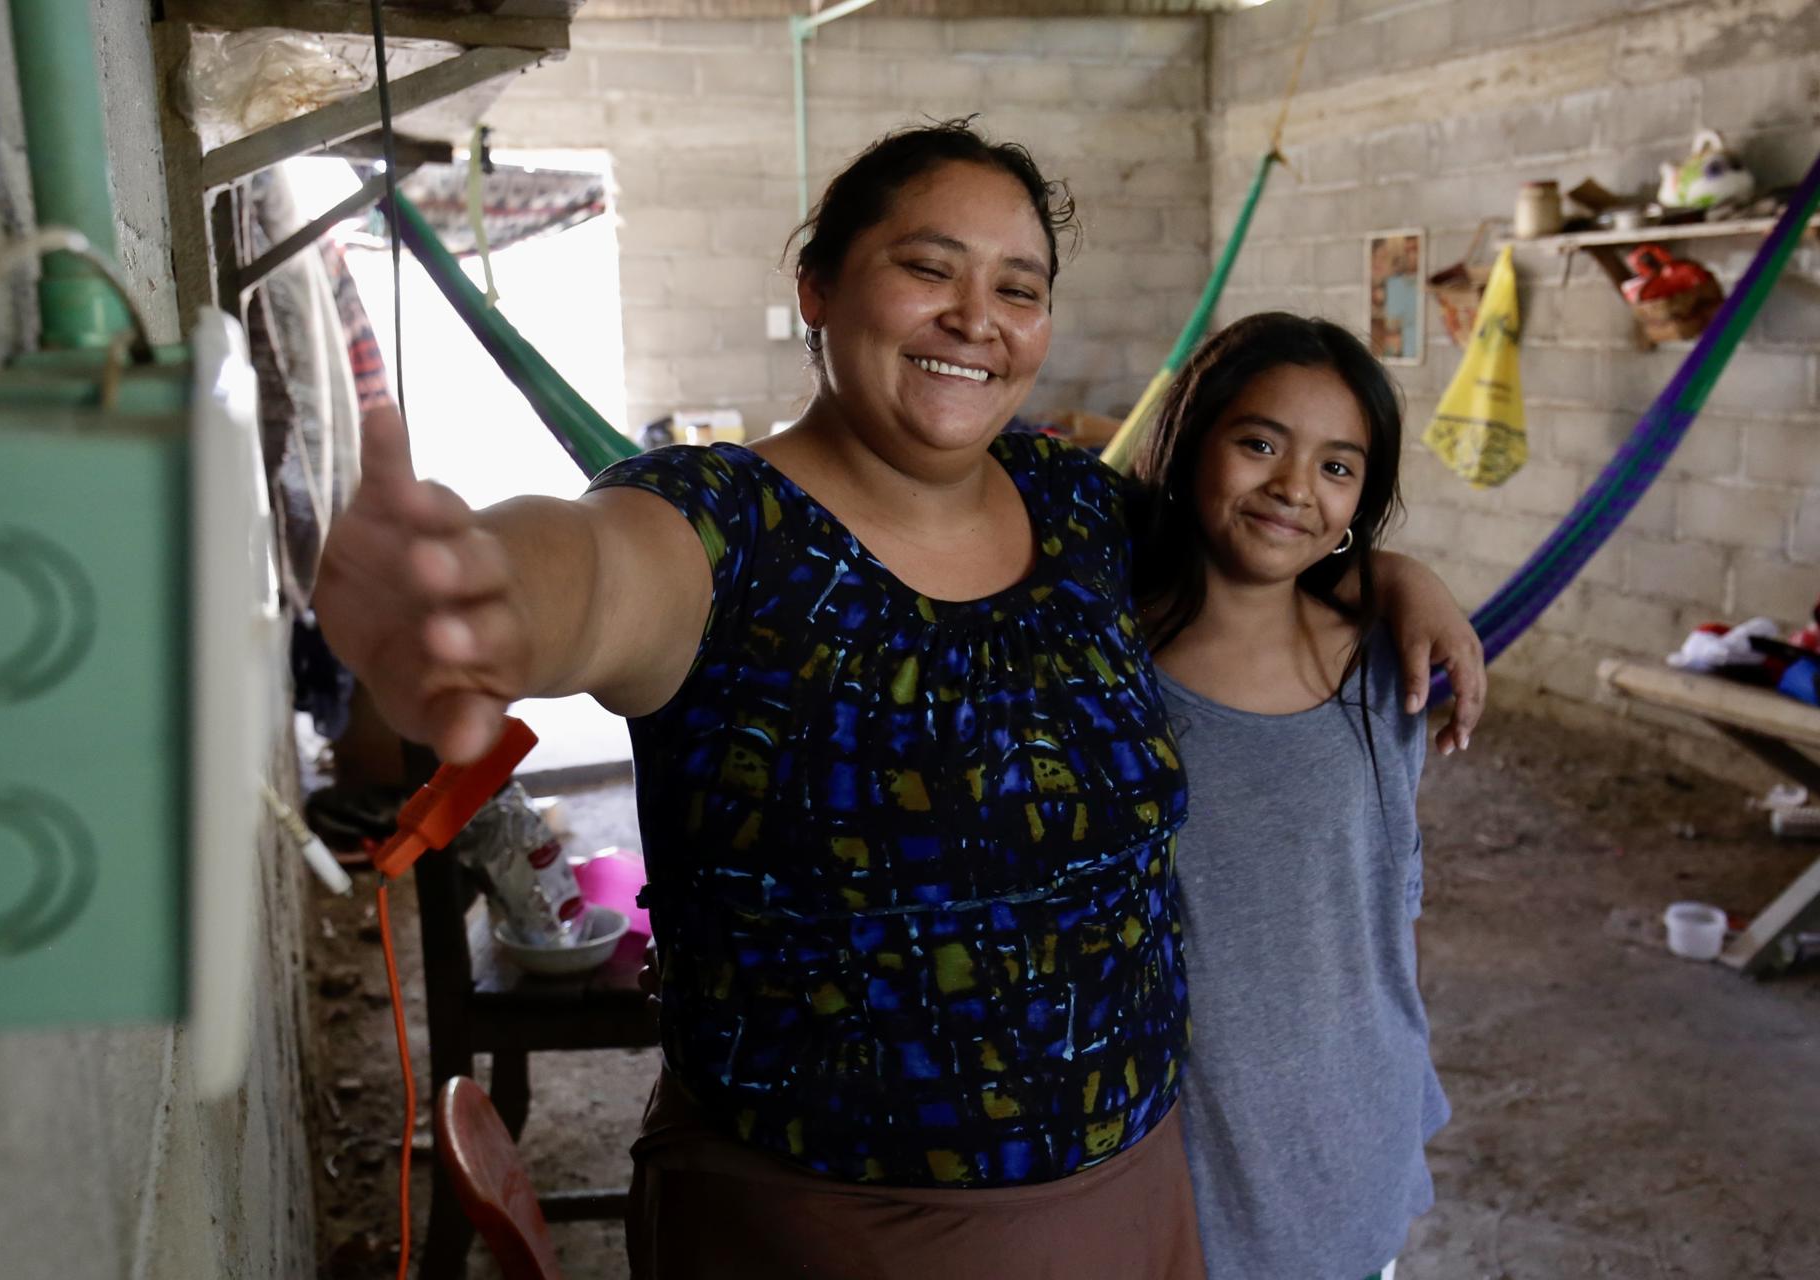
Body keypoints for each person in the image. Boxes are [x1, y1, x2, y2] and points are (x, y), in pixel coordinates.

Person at [315, 121, 1482, 1278]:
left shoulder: (1080, 510)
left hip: (1132, 1202)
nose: (976, 318)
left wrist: (1392, 574)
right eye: (929, 268)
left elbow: (1260, 537)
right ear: (817, 286)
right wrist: (485, 596)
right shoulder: (722, 525)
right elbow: (591, 568)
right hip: (826, 1231)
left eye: (1016, 287)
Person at [1131, 312, 1452, 1280]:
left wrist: (1401, 576)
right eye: (1260, 442)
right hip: (1193, 1166)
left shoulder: (1386, 664)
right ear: (1193, 445)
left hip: (1357, 1139)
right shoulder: (1108, 667)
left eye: (1336, 466)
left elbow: (1391, 899)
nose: (1292, 488)